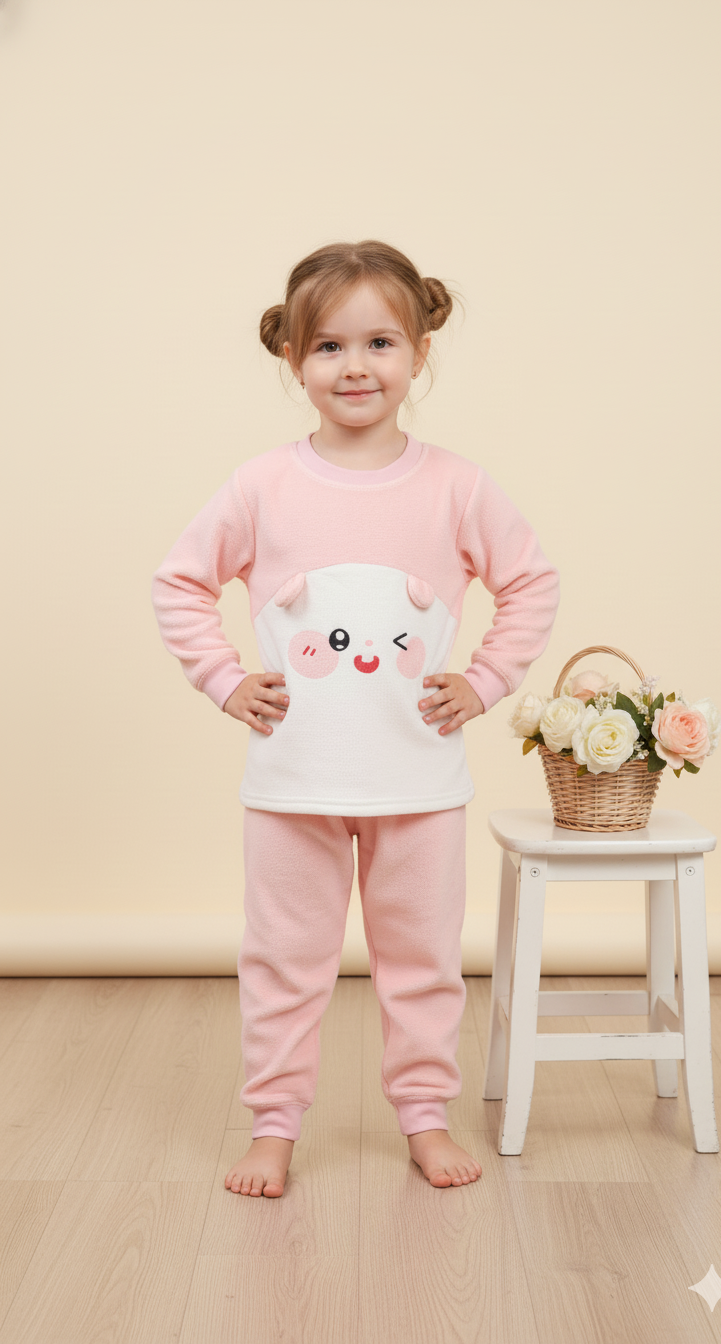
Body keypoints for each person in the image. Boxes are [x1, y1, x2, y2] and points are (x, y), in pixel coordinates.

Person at [152, 239, 559, 1198]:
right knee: (284, 961)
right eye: (329, 346)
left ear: (419, 351)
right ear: (293, 357)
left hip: (419, 782)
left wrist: (486, 679)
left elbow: (530, 581)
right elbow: (180, 582)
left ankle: (424, 1115)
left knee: (421, 962)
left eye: (380, 342)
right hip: (293, 783)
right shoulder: (261, 485)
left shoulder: (457, 485)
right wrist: (223, 678)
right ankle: (273, 1126)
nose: (355, 366)